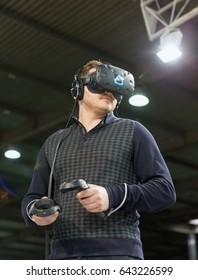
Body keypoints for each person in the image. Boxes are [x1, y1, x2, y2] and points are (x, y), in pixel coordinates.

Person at [21, 59, 176, 260]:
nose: (108, 90)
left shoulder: (133, 131)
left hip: (118, 254)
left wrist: (113, 195)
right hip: (63, 257)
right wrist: (35, 211)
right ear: (78, 88)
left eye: (113, 87)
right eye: (99, 83)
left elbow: (165, 190)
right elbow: (32, 197)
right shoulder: (54, 142)